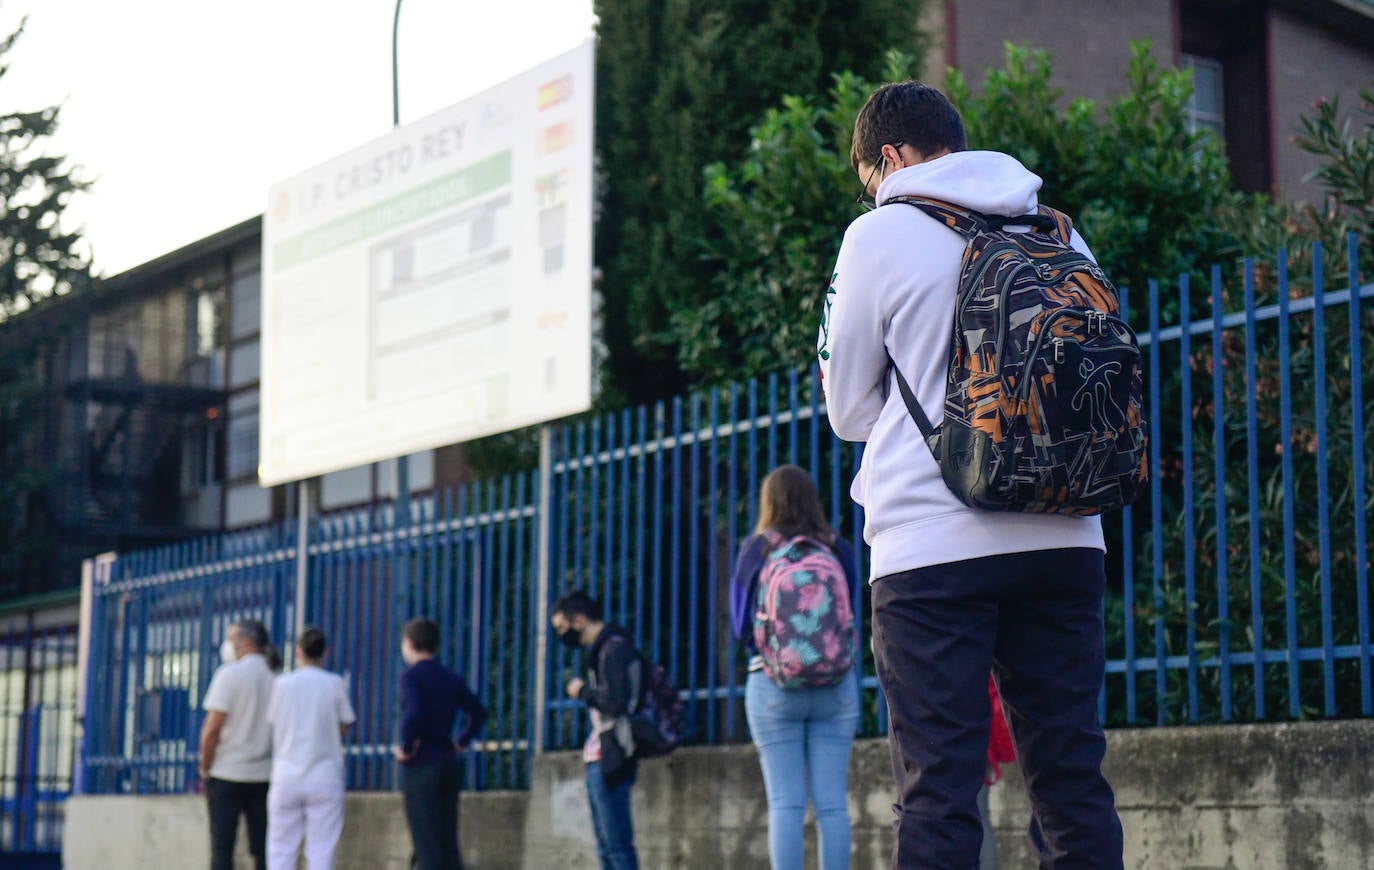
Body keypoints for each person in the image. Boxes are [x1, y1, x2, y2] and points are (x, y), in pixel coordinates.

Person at [817, 80, 1124, 869]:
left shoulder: (877, 236)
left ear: (887, 158)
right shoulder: (1060, 230)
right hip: (1068, 534)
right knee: (1070, 783)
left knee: (940, 792)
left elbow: (848, 409)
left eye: (866, 177)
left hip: (931, 547)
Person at [728, 465, 862, 870]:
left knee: (785, 803)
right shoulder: (838, 548)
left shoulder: (756, 550)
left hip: (773, 686)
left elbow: (739, 626)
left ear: (768, 501)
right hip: (836, 685)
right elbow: (850, 611)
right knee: (833, 806)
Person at [550, 590, 643, 870]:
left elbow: (615, 702)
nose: (561, 634)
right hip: (601, 755)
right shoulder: (604, 650)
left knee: (616, 847)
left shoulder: (613, 650)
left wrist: (583, 692)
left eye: (561, 628)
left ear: (578, 620)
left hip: (612, 756)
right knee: (607, 847)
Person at [394, 617, 488, 870]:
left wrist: (406, 746)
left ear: (409, 644)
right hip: (448, 760)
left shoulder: (410, 677)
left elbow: (413, 714)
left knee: (426, 841)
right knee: (447, 838)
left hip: (422, 761)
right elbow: (478, 712)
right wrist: (461, 740)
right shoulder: (450, 677)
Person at [265, 627, 356, 870]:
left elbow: (274, 721)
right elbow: (345, 725)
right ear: (325, 652)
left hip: (286, 773)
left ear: (297, 651)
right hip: (324, 773)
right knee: (322, 848)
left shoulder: (282, 684)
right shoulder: (334, 684)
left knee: (281, 848)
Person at [200, 619, 276, 870]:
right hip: (265, 775)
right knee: (265, 848)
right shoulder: (276, 677)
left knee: (222, 848)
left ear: (244, 643)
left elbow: (212, 729)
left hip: (226, 774)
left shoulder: (229, 675)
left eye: (231, 640)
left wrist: (205, 766)